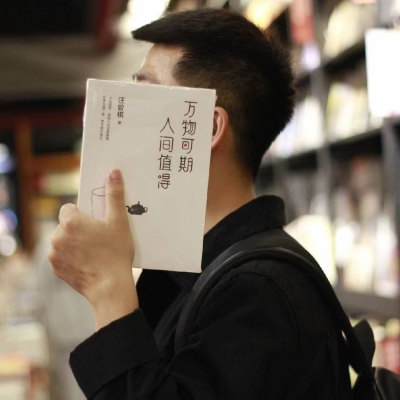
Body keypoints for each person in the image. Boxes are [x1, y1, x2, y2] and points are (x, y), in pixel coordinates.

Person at [48, 9, 351, 399]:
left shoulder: (259, 287)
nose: (126, 109)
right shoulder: (195, 265)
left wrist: (106, 286)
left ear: (205, 127)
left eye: (145, 90)